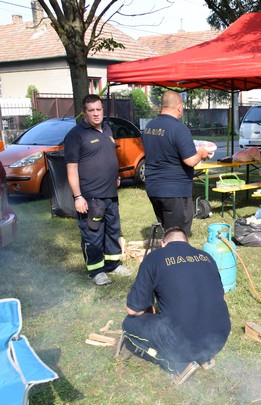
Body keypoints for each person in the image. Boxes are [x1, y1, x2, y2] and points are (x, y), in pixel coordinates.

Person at [122, 227, 231, 385]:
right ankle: (204, 358)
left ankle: (180, 366)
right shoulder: (206, 257)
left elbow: (133, 309)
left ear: (163, 243)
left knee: (129, 323)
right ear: (187, 242)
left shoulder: (154, 258)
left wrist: (147, 311)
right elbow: (222, 299)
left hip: (183, 343)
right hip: (218, 338)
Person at [65, 94, 132, 286]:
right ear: (84, 112)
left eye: (98, 109)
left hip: (111, 194)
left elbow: (109, 156)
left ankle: (113, 264)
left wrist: (116, 176)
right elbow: (71, 169)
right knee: (92, 234)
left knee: (112, 231)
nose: (96, 114)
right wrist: (78, 197)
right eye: (91, 110)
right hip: (90, 197)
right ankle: (96, 271)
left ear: (103, 110)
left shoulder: (107, 129)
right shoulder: (76, 135)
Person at [143, 90, 211, 236]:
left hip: (153, 188)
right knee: (178, 234)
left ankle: (167, 248)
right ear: (179, 107)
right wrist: (201, 153)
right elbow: (190, 161)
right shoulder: (179, 129)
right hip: (175, 190)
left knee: (167, 230)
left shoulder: (149, 127)